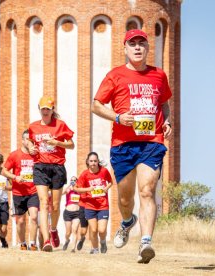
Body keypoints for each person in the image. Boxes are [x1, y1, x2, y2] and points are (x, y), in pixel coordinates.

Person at [91, 29, 173, 263]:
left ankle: (146, 241)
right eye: (132, 44)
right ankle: (127, 222)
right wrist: (117, 117)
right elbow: (96, 105)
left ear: (147, 48)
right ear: (125, 48)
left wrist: (167, 121)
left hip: (151, 142)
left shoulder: (159, 75)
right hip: (123, 144)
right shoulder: (115, 75)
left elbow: (164, 103)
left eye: (142, 44)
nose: (138, 48)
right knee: (125, 200)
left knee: (147, 190)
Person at [27, 96, 75, 252]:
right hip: (40, 166)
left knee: (55, 206)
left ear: (53, 110)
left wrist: (57, 143)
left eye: (48, 109)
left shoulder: (60, 126)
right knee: (43, 203)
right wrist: (31, 147)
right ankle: (46, 240)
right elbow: (29, 141)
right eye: (43, 109)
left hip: (57, 167)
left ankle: (53, 229)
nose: (45, 111)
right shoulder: (33, 126)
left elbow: (71, 145)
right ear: (39, 109)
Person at [4, 130, 39, 251]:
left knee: (34, 217)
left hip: (33, 191)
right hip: (18, 193)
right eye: (28, 139)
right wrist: (15, 177)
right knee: (20, 221)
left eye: (32, 140)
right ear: (23, 140)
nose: (30, 142)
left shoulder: (36, 154)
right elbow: (4, 171)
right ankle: (23, 243)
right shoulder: (14, 155)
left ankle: (33, 243)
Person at [74, 152, 113, 254]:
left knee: (102, 230)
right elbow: (76, 189)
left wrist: (106, 188)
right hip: (90, 206)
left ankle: (103, 242)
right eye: (91, 161)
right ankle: (95, 249)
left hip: (103, 205)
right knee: (94, 230)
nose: (93, 163)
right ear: (88, 162)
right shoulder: (84, 174)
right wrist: (88, 189)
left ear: (98, 161)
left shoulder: (104, 171)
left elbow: (111, 182)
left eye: (95, 161)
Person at [61, 176, 80, 252]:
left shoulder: (79, 190)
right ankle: (67, 240)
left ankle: (73, 248)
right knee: (68, 232)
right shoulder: (68, 189)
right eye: (71, 180)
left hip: (77, 213)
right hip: (68, 213)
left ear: (77, 181)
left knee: (74, 230)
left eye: (74, 180)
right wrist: (68, 187)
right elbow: (61, 193)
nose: (73, 181)